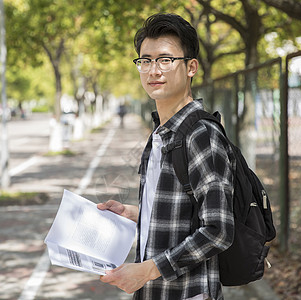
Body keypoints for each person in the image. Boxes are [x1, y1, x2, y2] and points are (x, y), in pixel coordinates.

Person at [98, 13, 235, 300]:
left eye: (165, 60)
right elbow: (183, 211)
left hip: (187, 293)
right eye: (145, 60)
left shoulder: (201, 134)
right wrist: (135, 215)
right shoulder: (162, 133)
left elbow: (218, 230)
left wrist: (147, 270)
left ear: (191, 67)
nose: (153, 70)